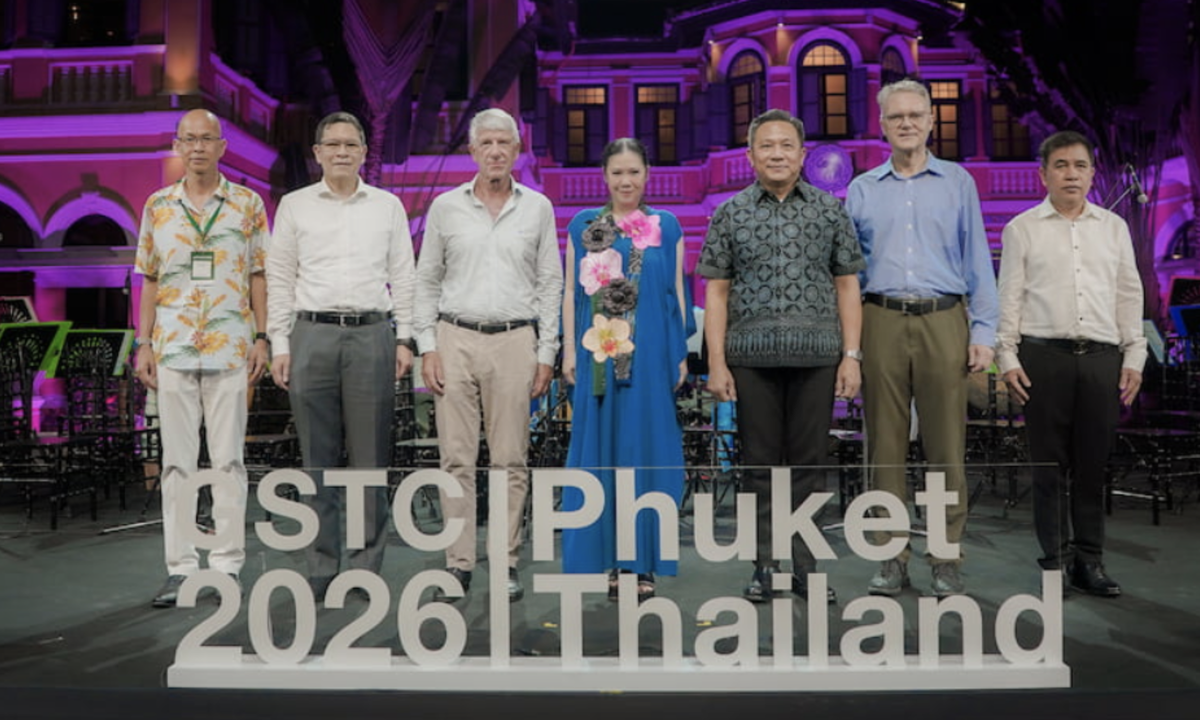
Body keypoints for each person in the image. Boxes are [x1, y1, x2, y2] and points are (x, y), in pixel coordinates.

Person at [698, 109, 865, 604]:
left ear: (802, 154)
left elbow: (847, 284)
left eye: (786, 145)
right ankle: (764, 565)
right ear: (750, 156)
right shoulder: (730, 213)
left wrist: (851, 355)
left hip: (817, 360)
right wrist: (717, 362)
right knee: (759, 467)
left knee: (811, 467)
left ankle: (807, 568)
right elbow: (717, 293)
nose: (776, 153)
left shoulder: (830, 211)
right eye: (766, 146)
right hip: (751, 362)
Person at [845, 79, 999, 598]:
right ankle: (890, 556)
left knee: (945, 449)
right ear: (882, 125)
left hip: (944, 319)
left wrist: (984, 332)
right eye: (896, 117)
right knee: (883, 449)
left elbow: (978, 260)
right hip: (881, 319)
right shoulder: (862, 189)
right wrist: (852, 345)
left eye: (915, 114)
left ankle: (945, 556)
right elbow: (848, 276)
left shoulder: (958, 183)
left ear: (932, 120)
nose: (906, 123)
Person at [266, 111, 416, 602]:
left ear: (364, 152)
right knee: (318, 460)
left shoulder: (387, 206)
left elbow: (405, 275)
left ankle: (366, 566)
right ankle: (322, 564)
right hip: (311, 335)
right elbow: (280, 279)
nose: (342, 152)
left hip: (372, 333)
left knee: (372, 461)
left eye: (351, 144)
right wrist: (280, 344)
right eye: (332, 144)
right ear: (317, 153)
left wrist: (405, 338)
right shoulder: (294, 206)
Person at [414, 108, 563, 603]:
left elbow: (550, 283)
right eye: (487, 144)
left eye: (505, 143)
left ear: (517, 152)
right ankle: (457, 564)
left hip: (516, 340)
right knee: (456, 458)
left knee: (510, 460)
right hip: (454, 337)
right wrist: (427, 347)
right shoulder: (444, 208)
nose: (496, 151)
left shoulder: (538, 208)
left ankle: (506, 561)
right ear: (473, 151)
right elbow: (427, 280)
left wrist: (547, 352)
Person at [996, 131, 1146, 597]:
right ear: (1044, 174)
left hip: (1103, 357)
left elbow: (1128, 293)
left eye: (1079, 165)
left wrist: (1135, 355)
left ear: (1092, 173)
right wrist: (1006, 355)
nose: (1071, 174)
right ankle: (1054, 563)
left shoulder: (1113, 227)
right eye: (1061, 165)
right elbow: (1011, 297)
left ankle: (1089, 562)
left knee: (1092, 465)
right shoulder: (1021, 228)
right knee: (1047, 467)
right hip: (1043, 357)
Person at [135, 109, 269, 608]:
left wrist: (261, 336)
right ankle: (181, 568)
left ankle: (227, 565)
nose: (196, 147)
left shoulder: (247, 204)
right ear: (177, 146)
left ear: (221, 146)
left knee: (229, 460)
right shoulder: (158, 206)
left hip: (231, 346)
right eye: (188, 139)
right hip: (171, 347)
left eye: (205, 139)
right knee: (177, 464)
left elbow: (259, 274)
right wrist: (143, 342)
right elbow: (148, 278)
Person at [559, 138, 690, 600]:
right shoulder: (582, 226)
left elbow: (677, 293)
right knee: (602, 456)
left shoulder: (667, 226)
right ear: (605, 176)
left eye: (634, 171)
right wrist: (569, 353)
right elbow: (572, 295)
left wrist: (680, 353)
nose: (626, 180)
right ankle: (606, 560)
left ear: (647, 174)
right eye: (617, 172)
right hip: (597, 360)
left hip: (652, 362)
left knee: (647, 457)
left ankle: (644, 563)